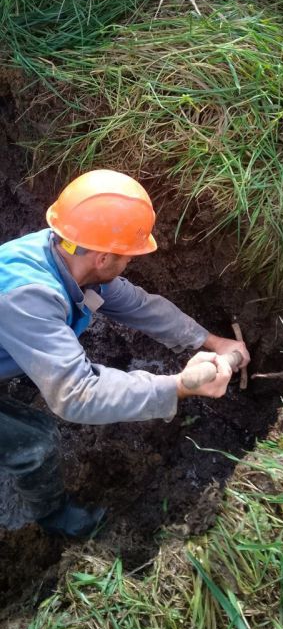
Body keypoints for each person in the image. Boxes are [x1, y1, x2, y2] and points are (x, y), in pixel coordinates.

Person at [0, 170, 250, 538]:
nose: (130, 263)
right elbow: (77, 395)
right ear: (103, 258)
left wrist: (213, 342)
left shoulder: (66, 251)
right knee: (35, 442)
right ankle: (55, 518)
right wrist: (179, 386)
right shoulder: (28, 296)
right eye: (128, 257)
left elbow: (139, 306)